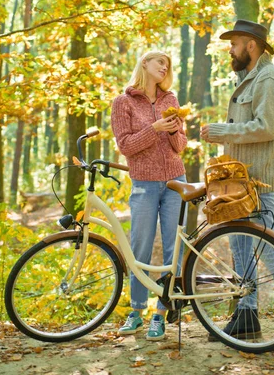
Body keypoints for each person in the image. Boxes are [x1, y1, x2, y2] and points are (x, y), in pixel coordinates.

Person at [200, 20, 274, 352]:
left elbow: (265, 128)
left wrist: (220, 131)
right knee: (241, 251)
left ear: (252, 45)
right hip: (239, 184)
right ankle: (247, 317)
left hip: (260, 183)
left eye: (235, 43)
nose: (230, 49)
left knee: (273, 253)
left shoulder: (270, 79)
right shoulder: (249, 79)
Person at [111, 50, 187, 341]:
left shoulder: (171, 100)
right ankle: (136, 311)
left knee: (173, 251)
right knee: (139, 249)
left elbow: (180, 146)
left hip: (175, 183)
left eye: (168, 64)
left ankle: (162, 313)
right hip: (143, 184)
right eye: (160, 61)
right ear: (144, 63)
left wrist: (171, 132)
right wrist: (155, 129)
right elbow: (126, 145)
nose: (165, 67)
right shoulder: (123, 102)